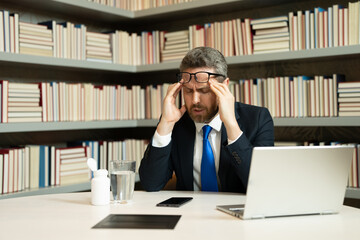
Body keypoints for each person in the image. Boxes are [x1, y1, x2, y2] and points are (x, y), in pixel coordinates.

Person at [139, 47, 274, 193]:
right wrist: (165, 125)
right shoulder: (175, 121)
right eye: (188, 91)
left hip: (236, 213)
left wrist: (231, 125)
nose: (195, 100)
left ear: (225, 86)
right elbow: (150, 184)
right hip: (188, 213)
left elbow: (262, 186)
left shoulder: (258, 119)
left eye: (204, 91)